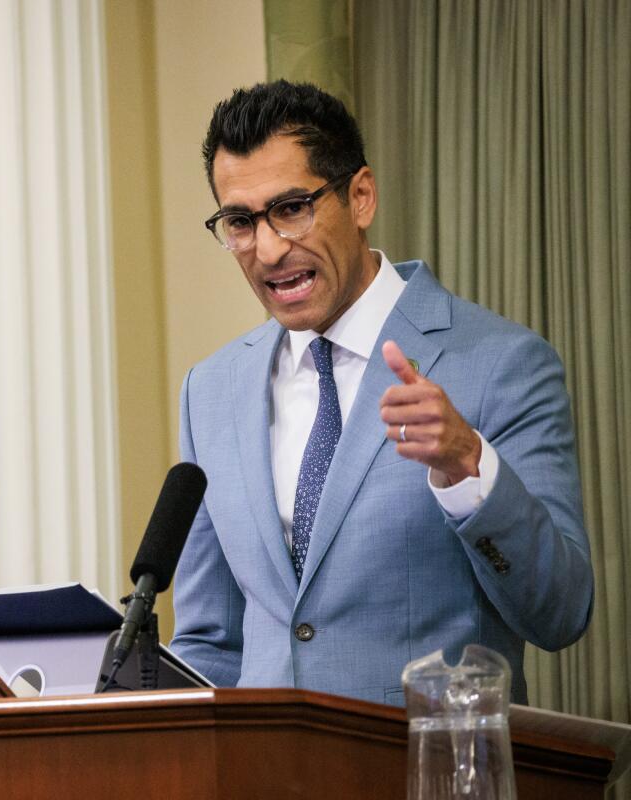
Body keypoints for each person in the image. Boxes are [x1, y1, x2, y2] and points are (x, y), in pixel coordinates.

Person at [169, 80, 593, 705]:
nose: (267, 249)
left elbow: (560, 612)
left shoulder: (502, 365)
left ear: (360, 197)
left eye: (291, 208)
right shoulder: (210, 389)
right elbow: (210, 645)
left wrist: (469, 469)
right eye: (239, 222)